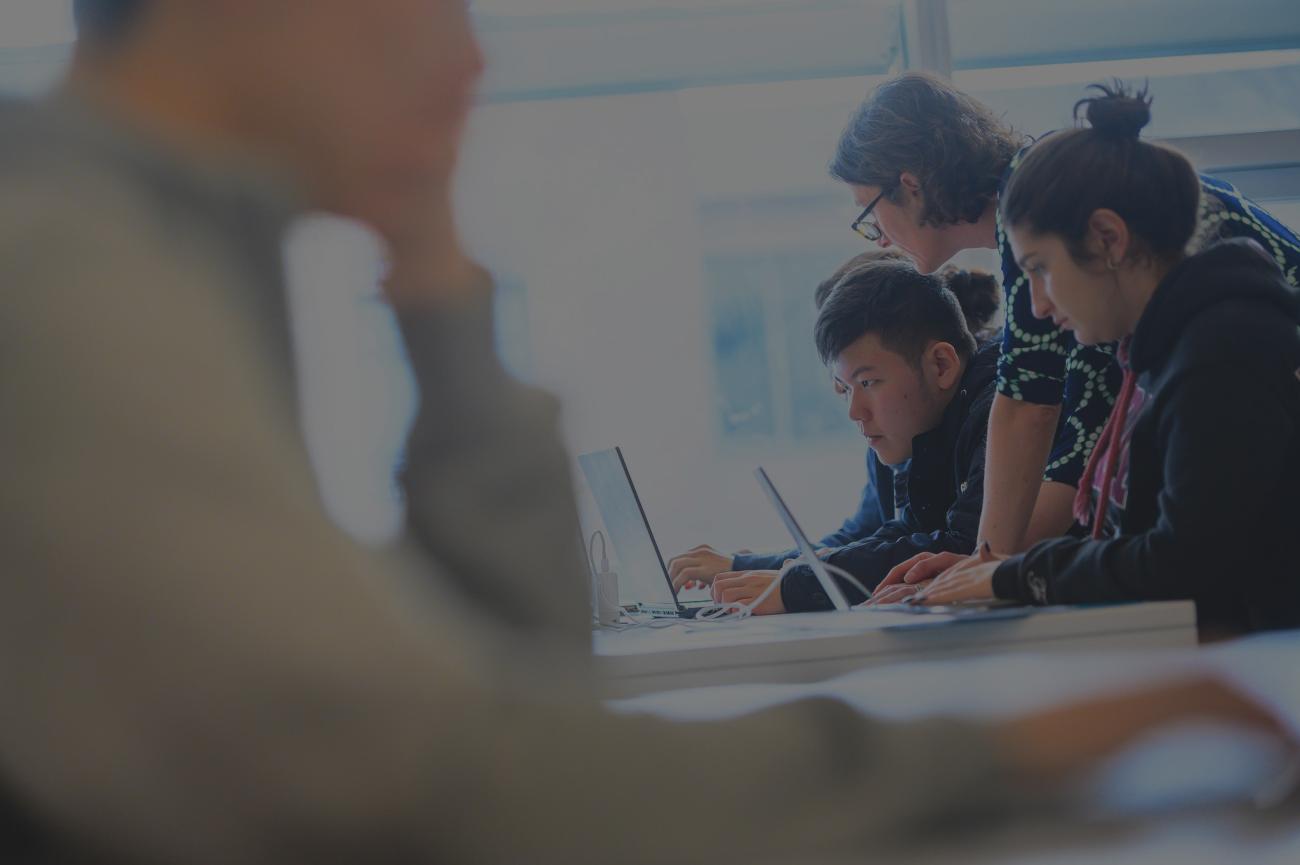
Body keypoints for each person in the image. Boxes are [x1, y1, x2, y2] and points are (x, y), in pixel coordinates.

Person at [0, 3, 1291, 861]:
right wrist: (994, 744)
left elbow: (515, 670)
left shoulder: (168, 241)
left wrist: (434, 274)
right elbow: (448, 774)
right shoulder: (64, 270)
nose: (471, 58)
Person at [828, 73, 1300, 584]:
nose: (877, 240)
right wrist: (991, 568)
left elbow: (1029, 407)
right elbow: (1076, 449)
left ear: (911, 186)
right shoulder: (1048, 191)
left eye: (869, 214)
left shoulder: (1033, 200)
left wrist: (989, 567)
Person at [667, 253, 998, 592]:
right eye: (843, 387)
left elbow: (959, 546)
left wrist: (790, 585)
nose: (854, 411)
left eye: (866, 382)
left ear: (941, 365)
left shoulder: (989, 411)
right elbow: (884, 537)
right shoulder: (914, 426)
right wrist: (769, 572)